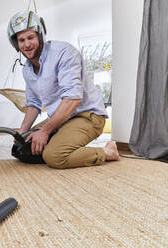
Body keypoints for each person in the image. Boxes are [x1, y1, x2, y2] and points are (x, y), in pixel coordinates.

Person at [7, 10, 120, 169]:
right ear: (16, 44)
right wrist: (21, 133)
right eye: (21, 40)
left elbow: (73, 98)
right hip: (63, 118)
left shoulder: (63, 53)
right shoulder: (27, 69)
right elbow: (33, 104)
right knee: (22, 148)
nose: (26, 44)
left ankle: (107, 152)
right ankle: (65, 143)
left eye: (30, 37)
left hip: (87, 116)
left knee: (54, 156)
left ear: (39, 36)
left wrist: (45, 131)